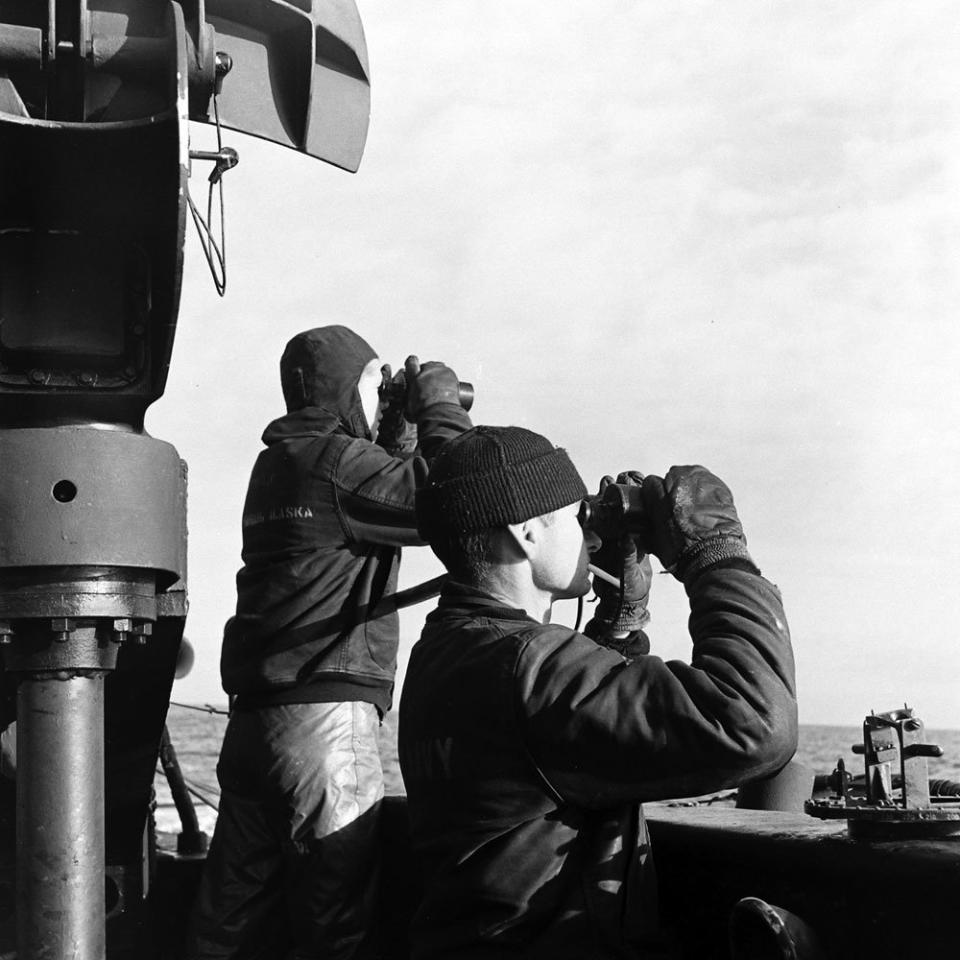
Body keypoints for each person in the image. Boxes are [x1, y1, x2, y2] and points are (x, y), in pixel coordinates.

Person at [398, 425, 797, 959]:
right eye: (575, 516)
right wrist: (718, 557)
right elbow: (752, 725)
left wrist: (619, 621)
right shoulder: (532, 667)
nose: (592, 538)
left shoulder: (446, 649)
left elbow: (573, 732)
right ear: (527, 534)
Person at [188, 325, 473, 960]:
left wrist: (392, 428)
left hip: (256, 722)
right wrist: (439, 409)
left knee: (227, 922)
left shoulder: (282, 463)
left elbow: (374, 495)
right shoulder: (341, 464)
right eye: (377, 383)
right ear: (346, 390)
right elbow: (456, 497)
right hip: (323, 726)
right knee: (334, 926)